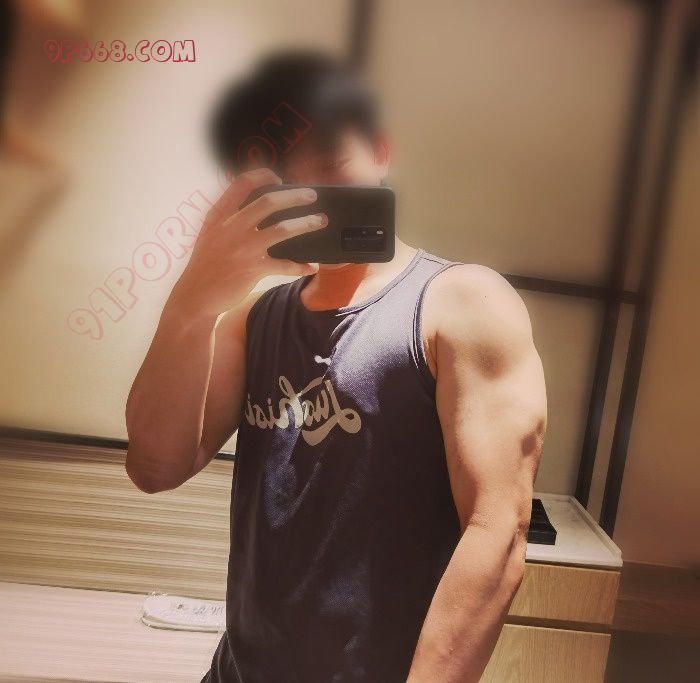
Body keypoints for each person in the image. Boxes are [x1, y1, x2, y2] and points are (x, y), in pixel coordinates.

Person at [125, 50, 548, 683]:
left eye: (328, 165)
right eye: (282, 181)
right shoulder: (252, 320)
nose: (311, 201)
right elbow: (155, 468)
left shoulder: (463, 305)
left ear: (381, 151)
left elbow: (498, 531)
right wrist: (191, 303)